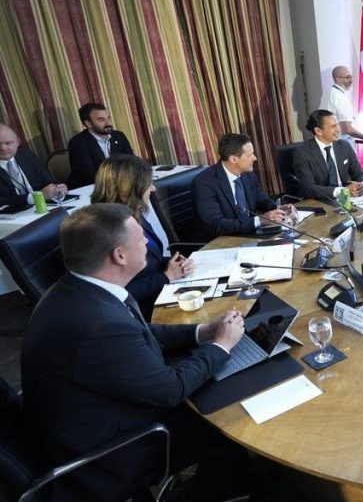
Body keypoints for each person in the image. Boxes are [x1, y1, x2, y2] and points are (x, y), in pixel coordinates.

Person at [20, 203, 250, 501]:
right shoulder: (99, 324)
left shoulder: (80, 290)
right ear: (119, 255)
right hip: (111, 452)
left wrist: (203, 331)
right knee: (225, 423)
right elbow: (170, 390)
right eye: (141, 238)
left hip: (90, 416)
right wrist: (222, 345)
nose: (147, 244)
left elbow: (139, 332)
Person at [91, 155, 194, 319]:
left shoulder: (133, 213)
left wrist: (174, 263)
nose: (153, 189)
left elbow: (151, 258)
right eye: (148, 184)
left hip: (162, 292)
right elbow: (115, 294)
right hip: (142, 313)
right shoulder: (104, 231)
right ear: (129, 189)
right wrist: (166, 277)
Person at [192, 133, 290, 238]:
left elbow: (261, 198)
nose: (255, 158)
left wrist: (279, 210)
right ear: (234, 159)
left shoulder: (247, 173)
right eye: (250, 155)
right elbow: (216, 225)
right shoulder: (204, 183)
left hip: (250, 234)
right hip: (222, 241)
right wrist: (259, 220)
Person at [292, 109, 363, 201]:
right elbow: (308, 189)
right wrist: (342, 191)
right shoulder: (302, 152)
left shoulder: (344, 146)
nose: (338, 129)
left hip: (348, 199)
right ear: (318, 131)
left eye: (337, 125)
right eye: (333, 126)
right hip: (321, 201)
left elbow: (360, 173)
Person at [67, 102, 135, 188]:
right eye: (101, 120)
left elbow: (132, 161)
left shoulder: (119, 136)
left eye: (108, 118)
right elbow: (89, 175)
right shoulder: (77, 143)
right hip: (91, 188)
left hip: (120, 184)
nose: (108, 123)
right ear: (88, 124)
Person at [0, 123, 67, 208]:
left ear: (18, 142)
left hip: (43, 207)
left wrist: (57, 189)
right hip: (9, 213)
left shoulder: (27, 155)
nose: (3, 148)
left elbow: (48, 181)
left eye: (8, 143)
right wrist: (34, 198)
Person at [318, 65, 363, 146]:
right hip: (341, 146)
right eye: (348, 77)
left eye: (351, 77)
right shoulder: (340, 97)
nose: (351, 80)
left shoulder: (328, 94)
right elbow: (347, 129)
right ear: (338, 79)